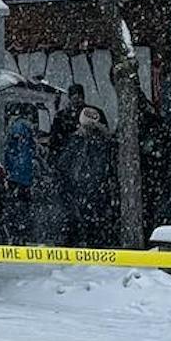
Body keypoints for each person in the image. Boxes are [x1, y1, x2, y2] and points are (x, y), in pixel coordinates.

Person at [56, 103, 117, 246]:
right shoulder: (102, 143)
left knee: (80, 226)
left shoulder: (80, 142)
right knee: (93, 228)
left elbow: (64, 164)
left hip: (84, 190)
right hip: (92, 191)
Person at [2, 105, 38, 242]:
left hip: (16, 174)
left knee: (15, 206)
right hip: (23, 175)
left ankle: (16, 233)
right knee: (23, 205)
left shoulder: (15, 127)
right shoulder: (23, 128)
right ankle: (22, 232)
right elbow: (25, 151)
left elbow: (11, 152)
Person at [47, 83, 86, 161]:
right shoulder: (61, 116)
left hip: (74, 155)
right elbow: (55, 139)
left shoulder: (92, 113)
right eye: (75, 98)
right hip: (69, 156)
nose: (78, 101)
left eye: (79, 97)